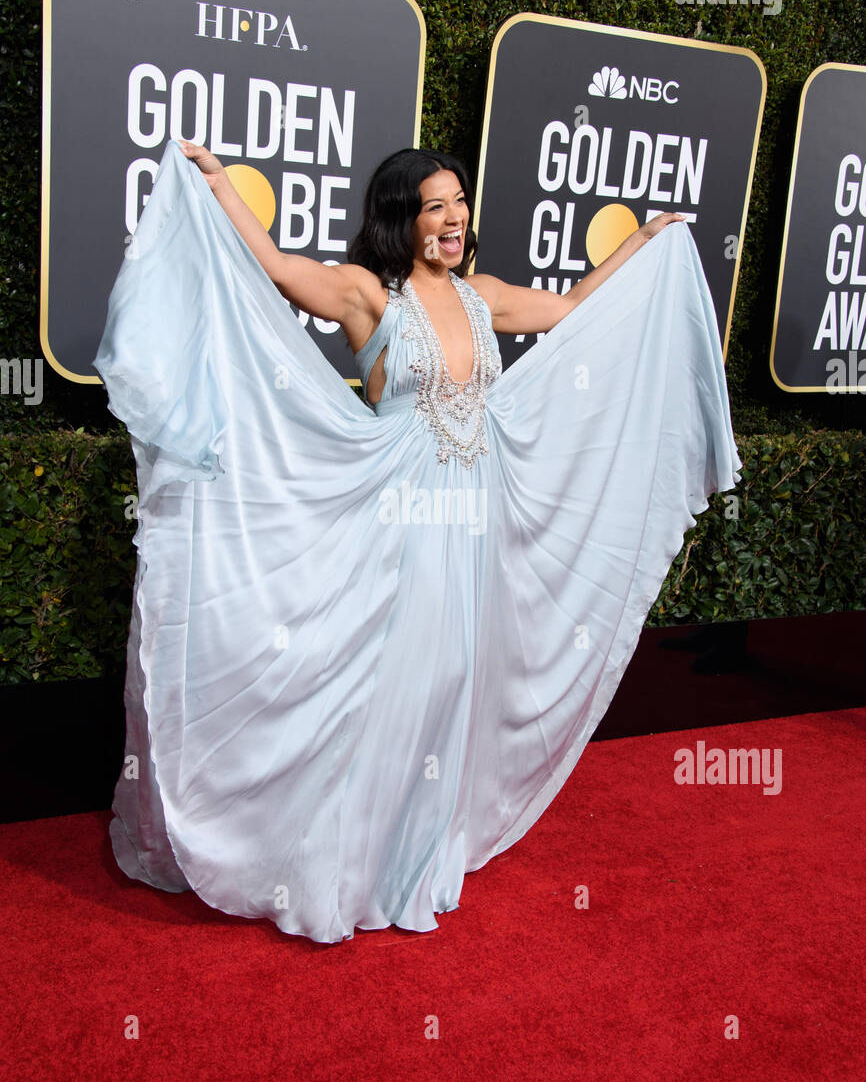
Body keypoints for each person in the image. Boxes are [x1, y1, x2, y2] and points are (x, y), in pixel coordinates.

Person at [94, 137, 741, 945]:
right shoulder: (371, 295)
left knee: (450, 681)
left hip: (474, 527)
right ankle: (343, 860)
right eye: (436, 206)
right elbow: (275, 268)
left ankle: (416, 852)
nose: (454, 219)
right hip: (398, 521)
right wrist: (221, 185)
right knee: (383, 683)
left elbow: (577, 310)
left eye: (460, 205)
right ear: (403, 217)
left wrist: (643, 245)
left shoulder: (484, 296)